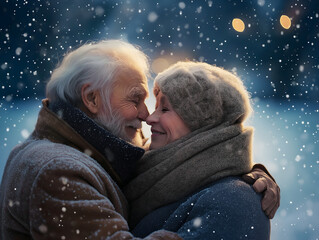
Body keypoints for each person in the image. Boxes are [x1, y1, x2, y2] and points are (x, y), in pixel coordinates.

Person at [0, 40, 278, 239]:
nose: (147, 116)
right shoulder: (57, 170)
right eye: (136, 99)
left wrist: (246, 174)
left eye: (161, 107)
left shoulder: (91, 154)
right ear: (92, 98)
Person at [124, 61, 277, 239]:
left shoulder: (233, 202)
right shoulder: (148, 170)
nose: (150, 118)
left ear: (203, 123)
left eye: (165, 109)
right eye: (156, 106)